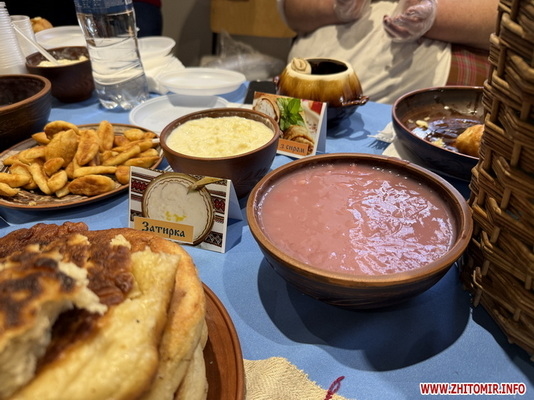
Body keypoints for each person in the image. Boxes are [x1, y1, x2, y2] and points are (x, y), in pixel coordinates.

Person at [277, 0, 498, 104]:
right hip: (300, 96)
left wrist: (436, 16)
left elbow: (510, 19)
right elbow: (292, 13)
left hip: (425, 99)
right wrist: (334, 7)